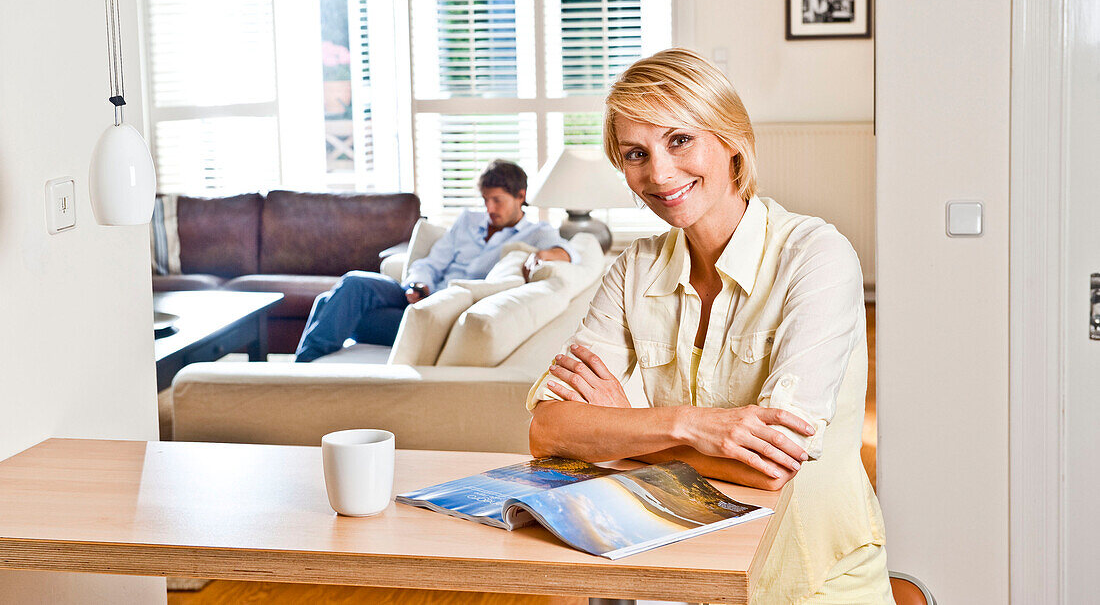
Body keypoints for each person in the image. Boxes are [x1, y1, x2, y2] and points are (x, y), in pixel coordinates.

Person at [526, 49, 891, 603]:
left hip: (809, 582)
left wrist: (625, 429)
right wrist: (690, 426)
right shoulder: (632, 269)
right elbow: (548, 431)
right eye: (635, 153)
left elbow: (771, 468)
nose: (659, 172)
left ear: (732, 139)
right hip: (681, 574)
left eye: (680, 140)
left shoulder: (816, 255)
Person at [295, 160, 576, 363]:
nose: (489, 208)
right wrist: (418, 284)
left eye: (497, 200)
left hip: (440, 313)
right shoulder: (468, 221)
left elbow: (566, 253)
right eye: (485, 200)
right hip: (419, 294)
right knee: (354, 283)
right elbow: (432, 261)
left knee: (329, 303)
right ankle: (304, 369)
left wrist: (541, 255)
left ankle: (302, 369)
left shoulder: (537, 232)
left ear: (520, 197)